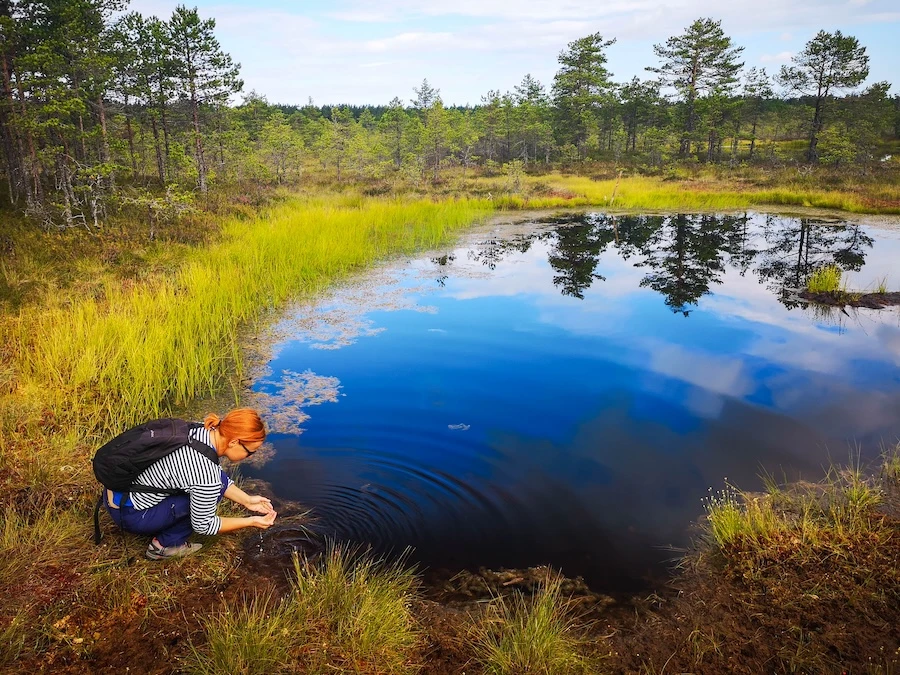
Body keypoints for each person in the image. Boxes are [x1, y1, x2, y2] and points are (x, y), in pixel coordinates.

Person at [103, 408, 277, 560]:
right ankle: (163, 547)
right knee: (207, 499)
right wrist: (250, 521)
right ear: (234, 442)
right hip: (131, 515)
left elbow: (214, 476)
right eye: (250, 452)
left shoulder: (200, 429)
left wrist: (247, 500)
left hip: (117, 493)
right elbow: (204, 525)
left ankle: (160, 523)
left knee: (211, 488)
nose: (249, 457)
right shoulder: (206, 475)